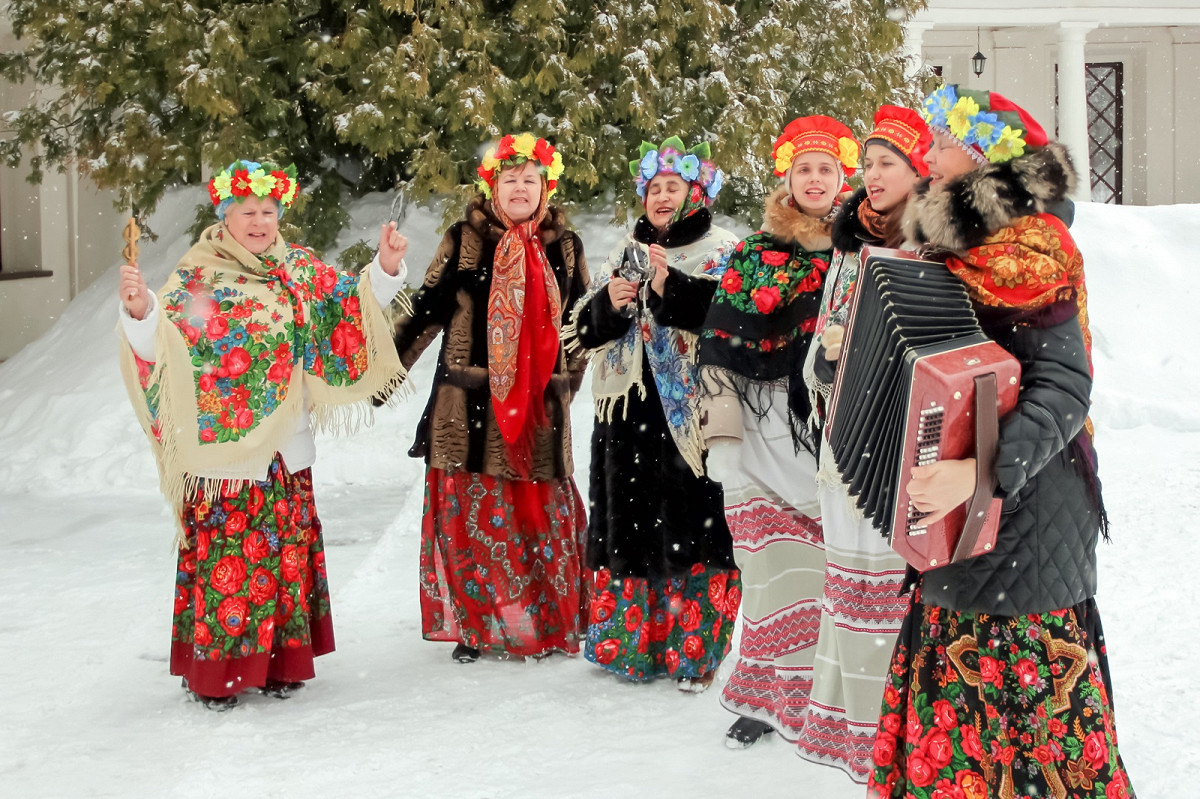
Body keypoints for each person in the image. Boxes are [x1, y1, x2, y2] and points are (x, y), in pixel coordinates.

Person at [866, 86, 1134, 798]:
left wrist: (980, 472)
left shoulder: (1034, 249)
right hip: (954, 521)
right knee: (955, 726)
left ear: (988, 165)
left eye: (945, 156)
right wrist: (845, 356)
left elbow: (1065, 390)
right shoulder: (935, 254)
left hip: (1031, 512)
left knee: (1039, 727)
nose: (931, 165)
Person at [117, 159, 408, 709]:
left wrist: (385, 270)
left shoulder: (296, 268)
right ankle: (219, 674)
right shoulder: (200, 274)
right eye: (246, 211)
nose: (258, 221)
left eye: (268, 212)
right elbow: (165, 345)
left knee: (283, 556)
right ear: (224, 214)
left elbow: (345, 307)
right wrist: (140, 311)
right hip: (224, 456)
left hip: (285, 447)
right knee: (232, 559)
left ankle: (279, 663)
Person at [389, 134, 591, 663]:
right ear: (492, 187)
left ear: (545, 188)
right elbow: (428, 306)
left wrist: (565, 382)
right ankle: (478, 628)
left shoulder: (565, 246)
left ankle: (544, 622)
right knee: (472, 522)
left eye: (530, 180)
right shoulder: (463, 239)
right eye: (510, 180)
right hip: (468, 408)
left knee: (536, 518)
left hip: (539, 410)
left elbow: (579, 325)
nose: (520, 188)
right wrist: (382, 370)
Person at [697, 115, 860, 748]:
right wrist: (724, 439)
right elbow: (715, 350)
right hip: (764, 439)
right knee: (769, 574)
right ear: (787, 180)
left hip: (835, 436)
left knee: (836, 573)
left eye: (826, 169)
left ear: (842, 179)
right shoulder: (753, 254)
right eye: (804, 169)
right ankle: (766, 699)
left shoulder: (862, 254)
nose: (815, 179)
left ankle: (835, 695)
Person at [784, 107, 932, 780]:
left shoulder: (929, 244)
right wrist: (824, 358)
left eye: (887, 164)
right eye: (868, 164)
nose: (873, 177)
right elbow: (831, 327)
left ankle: (887, 731)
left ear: (916, 173)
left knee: (887, 585)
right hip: (842, 434)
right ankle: (851, 731)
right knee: (845, 584)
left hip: (898, 444)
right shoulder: (849, 244)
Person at [565, 136, 740, 692]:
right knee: (630, 528)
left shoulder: (723, 250)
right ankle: (633, 646)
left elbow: (729, 320)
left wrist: (670, 287)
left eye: (674, 187)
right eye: (654, 188)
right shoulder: (624, 251)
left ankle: (695, 650)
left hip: (691, 412)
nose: (662, 197)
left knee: (696, 531)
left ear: (696, 192)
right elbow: (582, 333)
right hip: (626, 414)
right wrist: (610, 305)